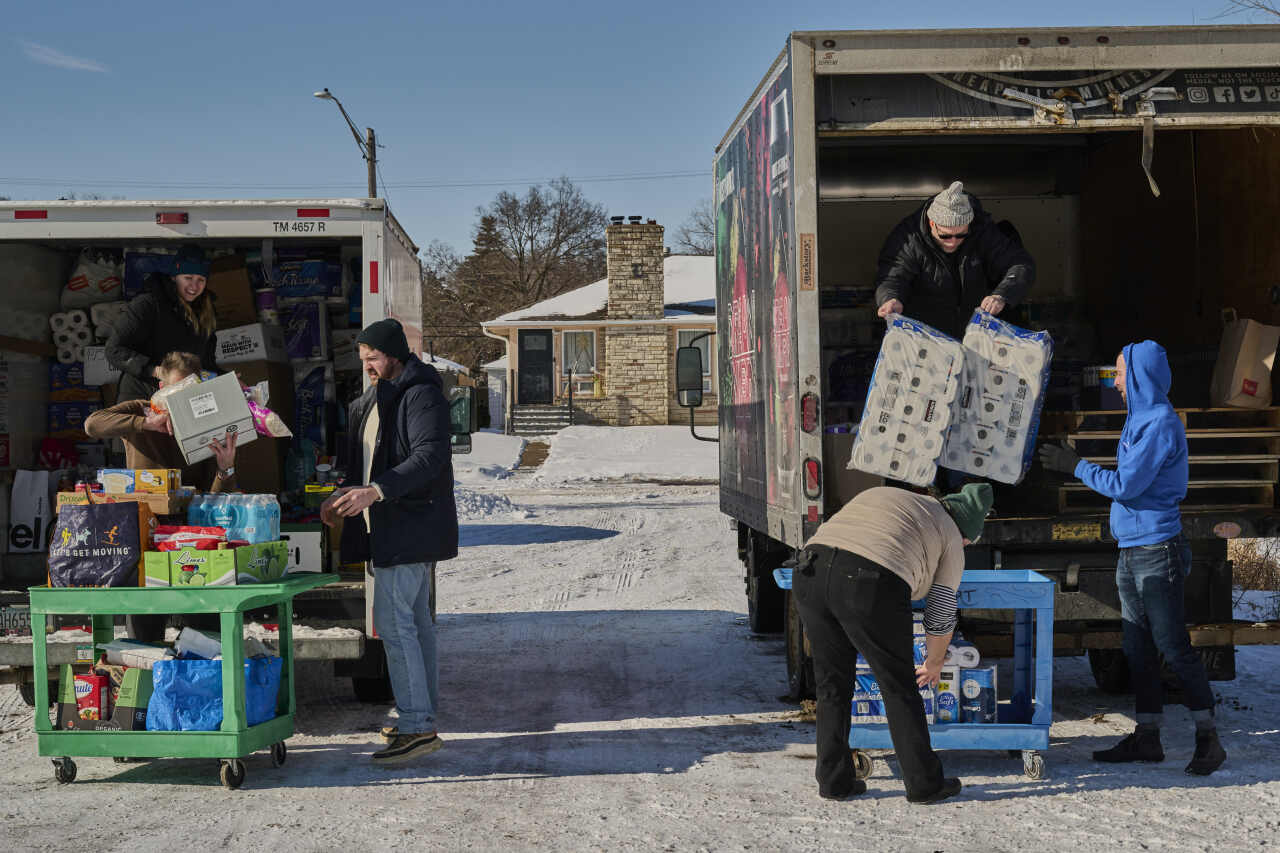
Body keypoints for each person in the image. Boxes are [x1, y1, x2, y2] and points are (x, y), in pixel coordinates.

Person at [1039, 342, 1226, 775]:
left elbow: (1127, 485)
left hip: (1157, 551)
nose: (1116, 382)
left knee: (1173, 647)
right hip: (1132, 550)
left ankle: (1208, 739)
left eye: (1120, 374)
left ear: (1141, 376)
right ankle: (1147, 736)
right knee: (1136, 647)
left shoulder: (1159, 423)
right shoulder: (1139, 418)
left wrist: (1075, 465)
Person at [789, 483, 993, 803]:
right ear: (965, 528)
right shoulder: (951, 533)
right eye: (968, 539)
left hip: (809, 571)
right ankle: (924, 784)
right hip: (867, 583)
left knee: (832, 685)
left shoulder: (887, 496)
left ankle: (834, 781)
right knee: (898, 685)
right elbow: (940, 609)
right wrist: (934, 662)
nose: (964, 544)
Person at [320, 318, 458, 766]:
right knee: (415, 626)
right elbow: (367, 462)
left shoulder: (420, 394)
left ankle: (418, 726)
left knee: (397, 627)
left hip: (410, 527)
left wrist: (375, 492)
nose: (367, 368)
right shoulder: (379, 397)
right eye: (363, 361)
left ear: (395, 354)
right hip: (393, 527)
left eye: (373, 359)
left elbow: (430, 457)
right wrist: (343, 495)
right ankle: (421, 719)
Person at [84, 350, 239, 642]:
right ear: (161, 389)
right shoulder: (141, 410)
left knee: (204, 634)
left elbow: (215, 501)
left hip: (191, 538)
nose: (182, 401)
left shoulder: (206, 423)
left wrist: (225, 468)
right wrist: (146, 423)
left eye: (190, 392)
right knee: (145, 636)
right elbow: (93, 424)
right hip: (144, 534)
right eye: (175, 391)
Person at [874, 181, 1035, 339]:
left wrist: (1002, 295)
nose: (952, 242)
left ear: (969, 225)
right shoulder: (908, 237)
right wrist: (890, 298)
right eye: (945, 235)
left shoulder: (983, 231)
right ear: (932, 223)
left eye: (961, 235)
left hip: (974, 335)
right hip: (926, 338)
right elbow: (893, 275)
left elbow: (1020, 264)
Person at [106, 244, 219, 404]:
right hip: (141, 395)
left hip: (184, 398)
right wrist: (156, 370)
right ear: (174, 276)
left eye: (201, 279)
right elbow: (114, 350)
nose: (194, 286)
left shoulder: (206, 313)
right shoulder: (148, 304)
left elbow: (206, 364)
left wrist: (226, 379)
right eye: (188, 278)